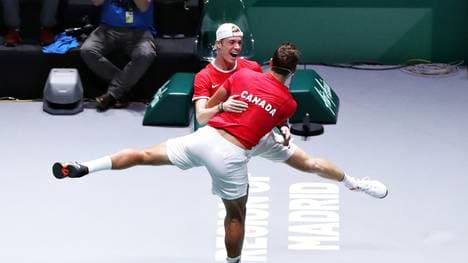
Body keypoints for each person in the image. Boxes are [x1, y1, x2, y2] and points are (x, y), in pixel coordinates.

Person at [52, 43, 388, 263]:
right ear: (294, 72)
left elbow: (210, 111)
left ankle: (85, 167)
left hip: (208, 138)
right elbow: (279, 118)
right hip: (232, 153)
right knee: (240, 213)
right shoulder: (289, 101)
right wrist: (282, 127)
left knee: (142, 155)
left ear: (269, 63)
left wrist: (239, 111)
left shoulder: (242, 73)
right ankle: (351, 183)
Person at [80, 0, 157, 111]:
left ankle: (112, 94)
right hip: (107, 29)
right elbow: (96, 2)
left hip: (139, 32)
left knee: (146, 54)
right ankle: (122, 89)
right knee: (87, 50)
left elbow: (144, 6)